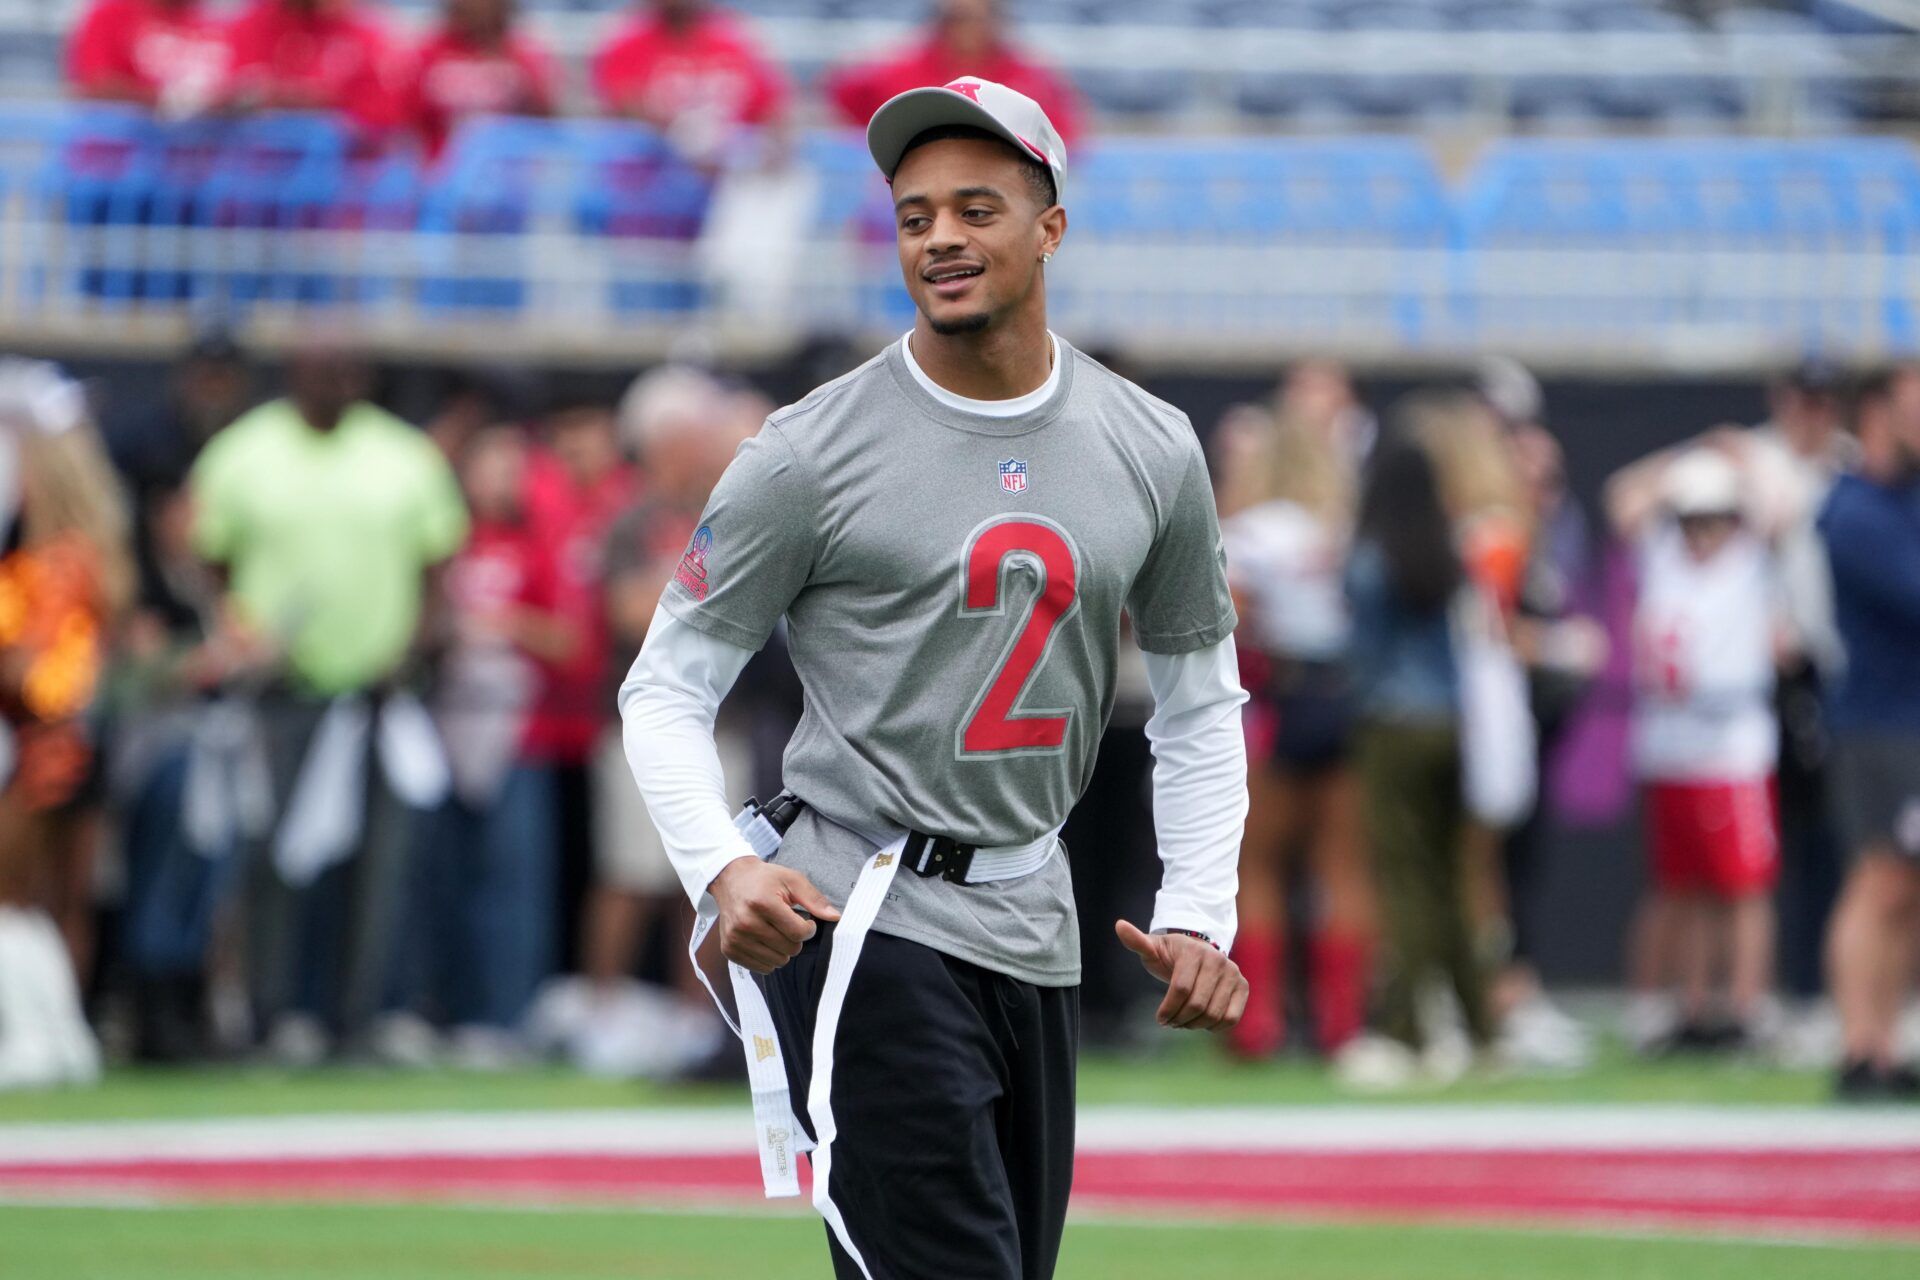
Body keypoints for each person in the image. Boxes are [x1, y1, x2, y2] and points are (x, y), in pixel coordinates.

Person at [620, 78, 1248, 1278]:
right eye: (916, 217)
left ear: (1050, 223)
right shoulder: (809, 449)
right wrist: (721, 863)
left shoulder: (1151, 443)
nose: (942, 237)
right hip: (864, 914)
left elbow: (1200, 703)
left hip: (1035, 916)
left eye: (975, 208)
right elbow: (664, 685)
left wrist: (1199, 910)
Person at [189, 342, 468, 1061]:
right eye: (324, 369)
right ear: (293, 373)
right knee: (273, 858)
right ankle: (271, 1015)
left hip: (377, 696)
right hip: (279, 694)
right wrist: (238, 636)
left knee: (380, 865)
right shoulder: (244, 453)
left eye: (350, 370)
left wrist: (410, 653)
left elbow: (439, 570)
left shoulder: (405, 456)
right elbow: (207, 560)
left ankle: (361, 1016)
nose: (339, 380)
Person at [396, 420, 573, 1066]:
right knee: (438, 877)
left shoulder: (538, 545)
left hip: (513, 730)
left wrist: (510, 625)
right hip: (444, 725)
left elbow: (570, 642)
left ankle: (504, 1015)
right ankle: (435, 1007)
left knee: (509, 879)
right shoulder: (448, 544)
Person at [1335, 407, 1494, 1090]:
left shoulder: (1371, 556)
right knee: (1449, 875)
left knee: (1403, 880)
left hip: (1393, 727)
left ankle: (1408, 1028)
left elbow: (1363, 655)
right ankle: (1477, 1020)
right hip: (1449, 724)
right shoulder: (1445, 548)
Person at [1608, 443, 1785, 1052]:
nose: (1703, 533)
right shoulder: (1662, 557)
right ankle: (1676, 1005)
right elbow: (1624, 500)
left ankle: (1743, 1005)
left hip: (1732, 740)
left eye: (1716, 518)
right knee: (1677, 886)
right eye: (1691, 519)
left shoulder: (1749, 559)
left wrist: (1731, 451)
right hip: (1670, 739)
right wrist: (1684, 461)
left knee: (1742, 885)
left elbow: (1783, 503)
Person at [1219, 400, 1370, 1060]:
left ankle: (1258, 1023)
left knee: (1259, 868)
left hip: (1275, 704)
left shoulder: (1249, 531)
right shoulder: (1344, 533)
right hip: (1344, 700)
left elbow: (1224, 616)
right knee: (1344, 868)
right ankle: (1341, 1026)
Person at [0, 360, 134, 1089]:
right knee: (47, 902)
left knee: (14, 897)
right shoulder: (77, 554)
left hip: (43, 744)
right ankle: (59, 1031)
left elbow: (35, 671)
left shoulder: (54, 563)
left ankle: (36, 1037)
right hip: (67, 739)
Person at [1819, 368, 1920, 1100]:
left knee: (1908, 889)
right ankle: (1860, 1047)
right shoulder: (1854, 510)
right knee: (1879, 880)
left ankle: (1888, 1041)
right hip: (1882, 724)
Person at [522, 393, 639, 974]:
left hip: (609, 708)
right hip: (539, 718)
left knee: (613, 863)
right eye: (565, 440)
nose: (577, 452)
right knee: (550, 862)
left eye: (587, 436)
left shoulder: (631, 502)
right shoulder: (536, 496)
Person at [825, 0, 1083, 149]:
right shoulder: (898, 66)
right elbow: (840, 97)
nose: (968, 29)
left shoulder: (1031, 76)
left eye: (975, 18)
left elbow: (1065, 136)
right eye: (957, 18)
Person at [592, 0, 788, 163]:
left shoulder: (735, 39)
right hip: (649, 172)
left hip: (728, 175)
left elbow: (771, 110)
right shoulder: (629, 40)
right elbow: (624, 105)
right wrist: (680, 133)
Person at [400, 0, 556, 160]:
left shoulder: (523, 53)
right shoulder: (430, 52)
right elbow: (404, 119)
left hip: (506, 168)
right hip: (440, 167)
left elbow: (546, 125)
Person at [225, 0, 403, 135]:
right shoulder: (253, 25)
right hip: (256, 162)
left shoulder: (367, 35)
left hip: (338, 166)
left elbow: (383, 118)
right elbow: (229, 96)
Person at [65, 0, 231, 117]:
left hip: (206, 156)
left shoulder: (218, 22)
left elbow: (238, 89)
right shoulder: (110, 14)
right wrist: (171, 100)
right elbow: (96, 87)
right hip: (121, 156)